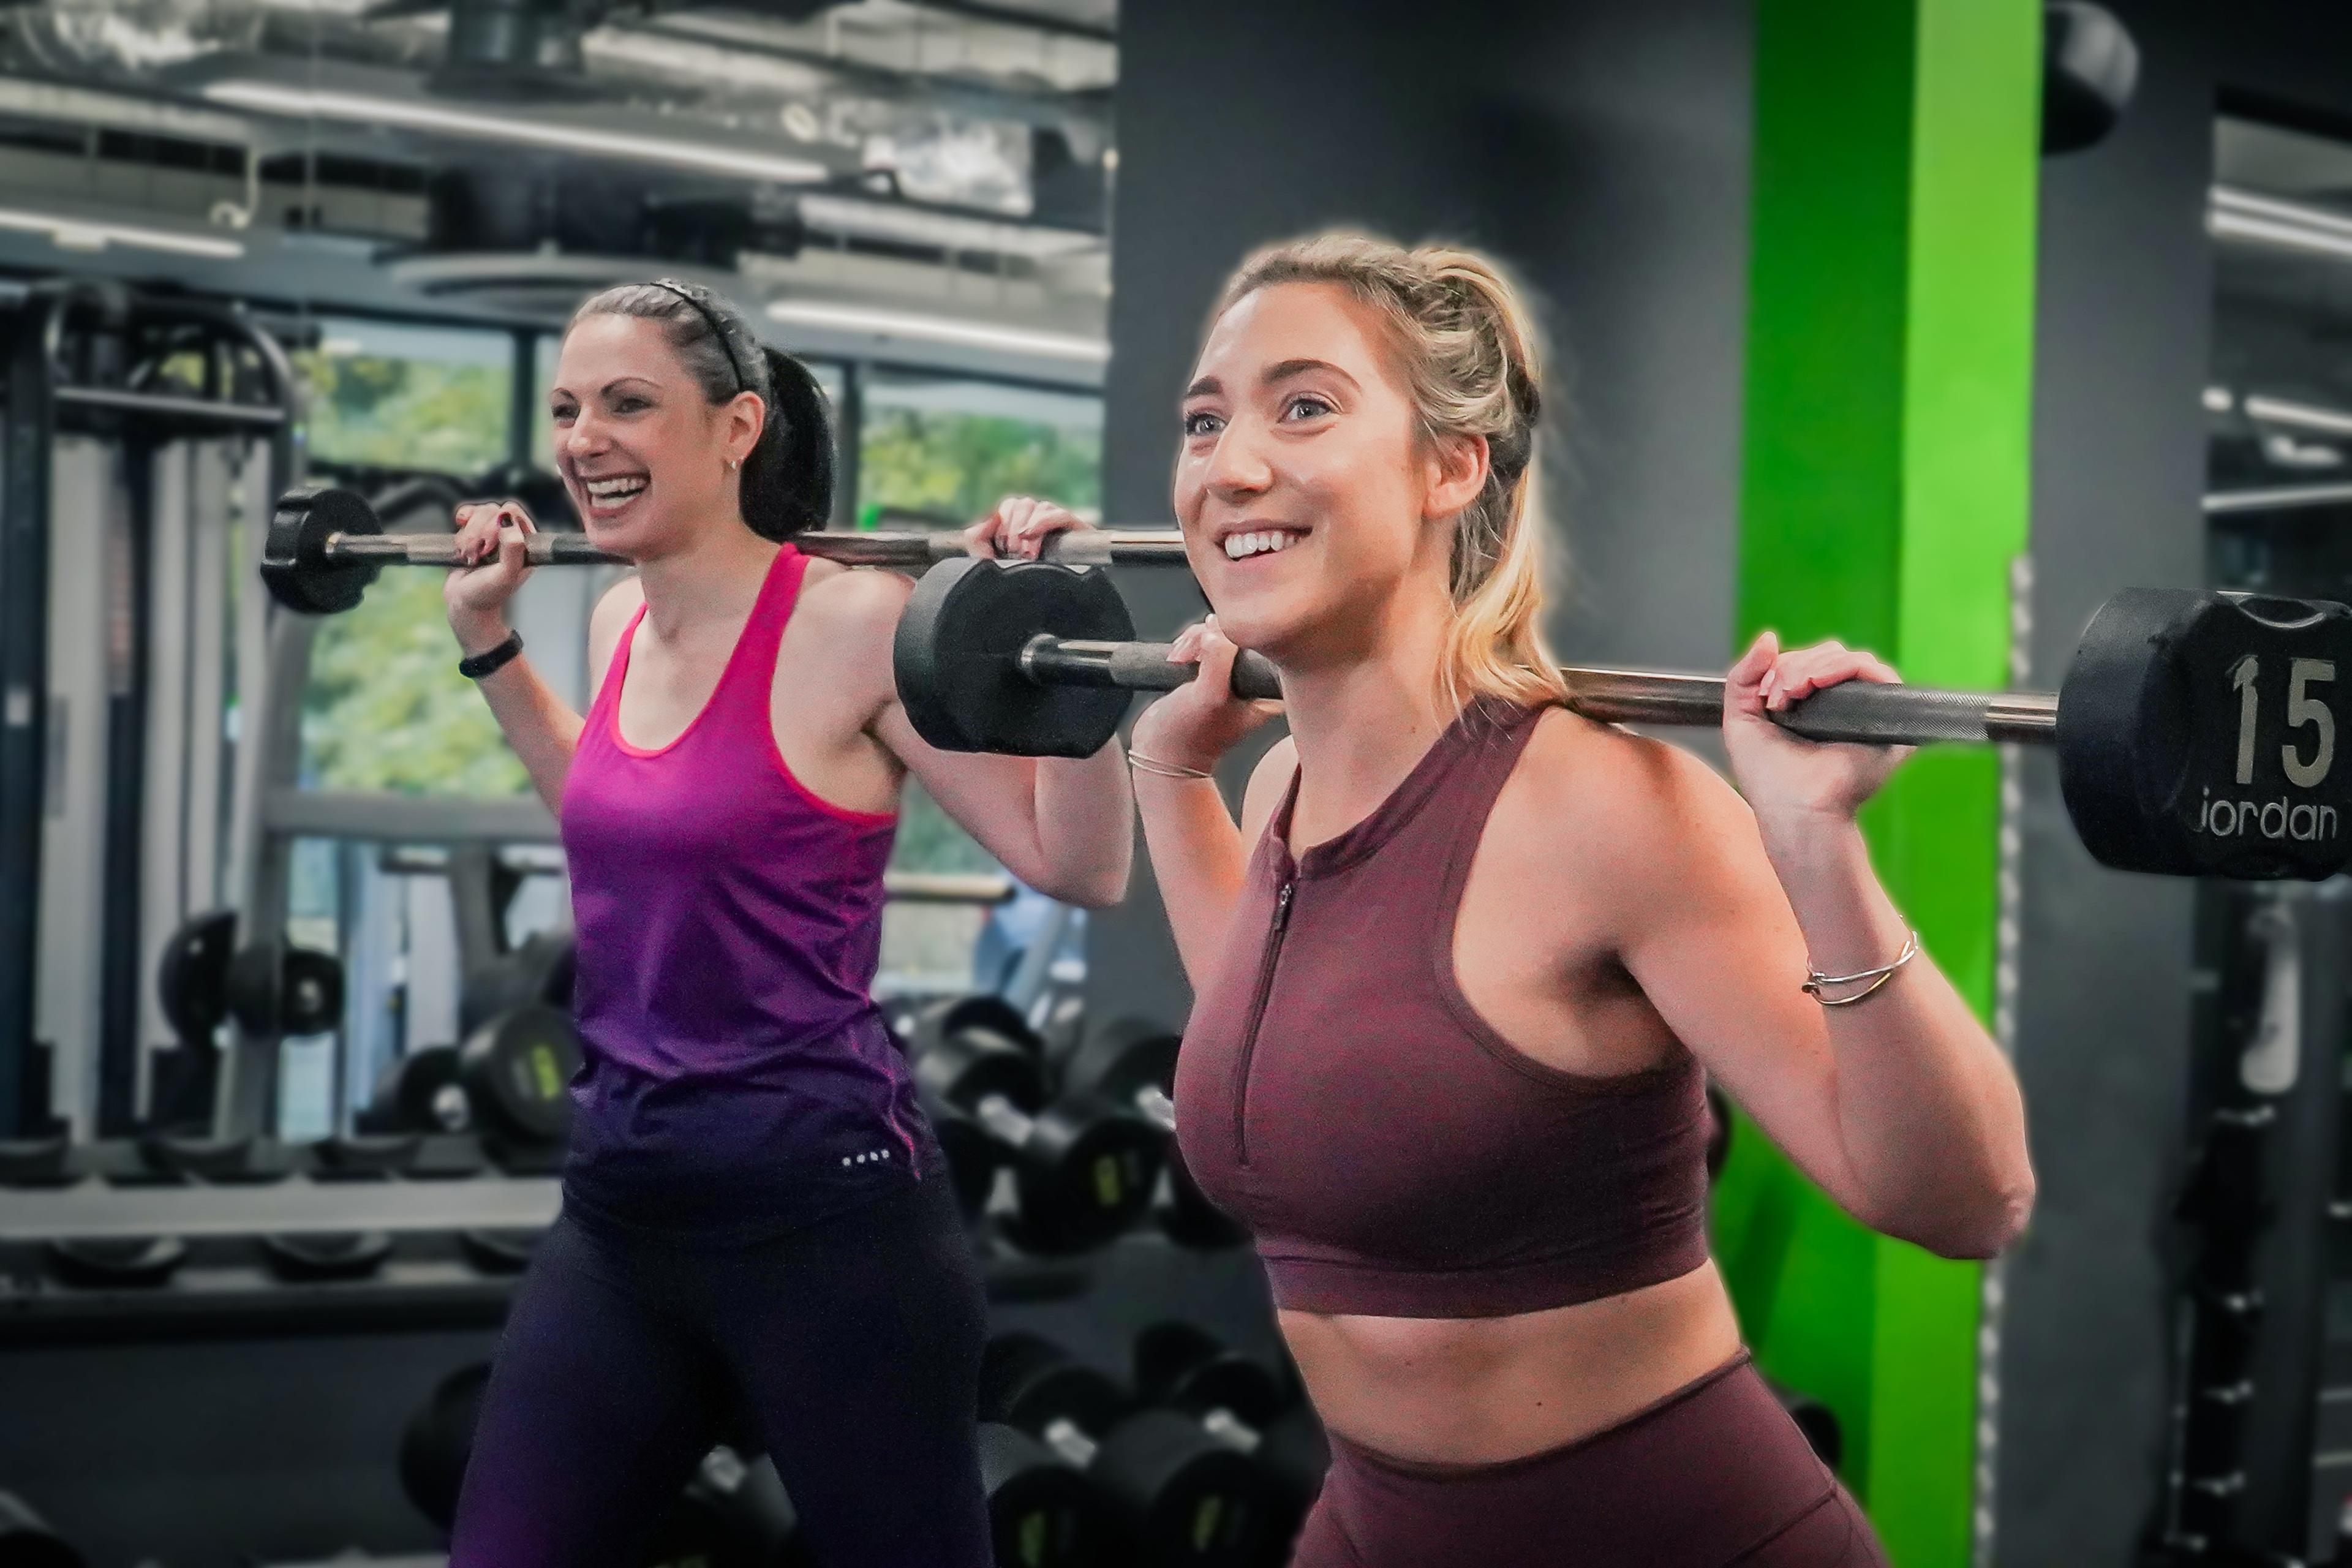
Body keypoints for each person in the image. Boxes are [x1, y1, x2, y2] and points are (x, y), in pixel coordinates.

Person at [978, 233, 2034, 1566]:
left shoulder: (1602, 806)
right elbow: (1284, 1051)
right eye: (1205, 419)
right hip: (1374, 1521)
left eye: (1304, 404)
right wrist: (1172, 764)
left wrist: (1816, 846)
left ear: (1450, 463)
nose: (1231, 463)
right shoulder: (1287, 784)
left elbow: (1962, 1199)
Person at [434, 278, 1133, 1568]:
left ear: (738, 424)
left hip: (830, 1226)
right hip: (622, 1217)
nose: (585, 437)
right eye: (569, 407)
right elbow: (612, 812)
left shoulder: (856, 623)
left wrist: (1071, 653)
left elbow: (1076, 864)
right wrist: (490, 646)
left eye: (629, 403)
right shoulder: (616, 617)